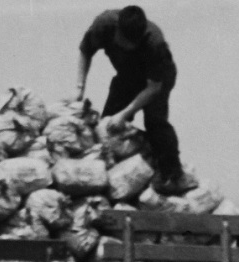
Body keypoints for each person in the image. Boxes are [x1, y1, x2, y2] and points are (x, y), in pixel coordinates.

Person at [77, 6, 191, 195]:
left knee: (155, 122)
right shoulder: (104, 24)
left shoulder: (155, 43)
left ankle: (173, 175)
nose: (130, 47)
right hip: (127, 75)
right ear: (117, 30)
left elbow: (153, 88)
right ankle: (108, 174)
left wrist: (125, 114)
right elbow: (85, 51)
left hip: (158, 80)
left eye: (134, 43)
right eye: (126, 42)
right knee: (108, 125)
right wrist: (79, 88)